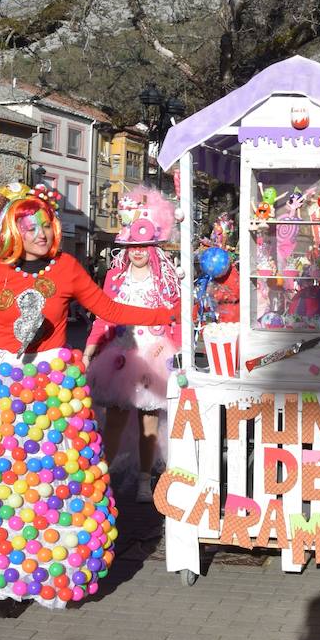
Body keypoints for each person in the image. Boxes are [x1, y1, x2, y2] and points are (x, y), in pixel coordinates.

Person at [0, 182, 175, 615]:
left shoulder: (67, 268)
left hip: (53, 392)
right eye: (31, 227)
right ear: (14, 232)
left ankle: (47, 571)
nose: (41, 234)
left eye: (45, 225)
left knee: (50, 483)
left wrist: (166, 314)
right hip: (1, 389)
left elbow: (108, 308)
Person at [84, 187, 181, 504]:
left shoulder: (164, 279)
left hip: (153, 354)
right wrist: (89, 350)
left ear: (152, 247)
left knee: (149, 419)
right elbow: (103, 316)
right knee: (113, 417)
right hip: (121, 356)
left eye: (144, 245)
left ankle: (143, 479)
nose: (138, 251)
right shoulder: (114, 277)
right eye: (133, 246)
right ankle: (103, 477)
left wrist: (175, 351)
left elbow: (176, 317)